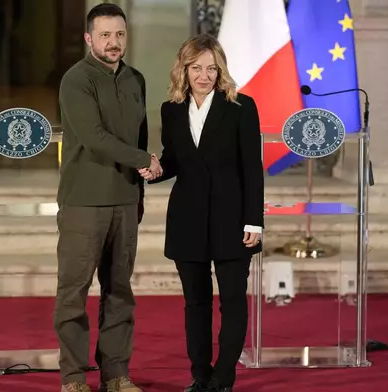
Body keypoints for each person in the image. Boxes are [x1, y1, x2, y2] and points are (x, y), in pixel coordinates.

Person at [141, 34, 264, 392]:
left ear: (220, 70)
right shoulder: (171, 109)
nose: (204, 75)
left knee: (232, 303)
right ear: (184, 69)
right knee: (195, 304)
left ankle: (223, 377)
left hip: (233, 221)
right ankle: (200, 375)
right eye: (197, 68)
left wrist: (254, 220)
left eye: (212, 68)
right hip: (188, 220)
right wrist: (156, 170)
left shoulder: (241, 106)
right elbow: (174, 160)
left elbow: (252, 169)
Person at [54, 3, 162, 392]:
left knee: (120, 291)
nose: (113, 42)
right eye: (104, 35)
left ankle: (115, 373)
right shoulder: (76, 80)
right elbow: (94, 137)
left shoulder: (135, 78)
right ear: (89, 38)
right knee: (74, 290)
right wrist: (144, 160)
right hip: (85, 200)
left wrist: (141, 183)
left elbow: (140, 135)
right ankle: (74, 377)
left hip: (125, 200)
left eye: (119, 34)